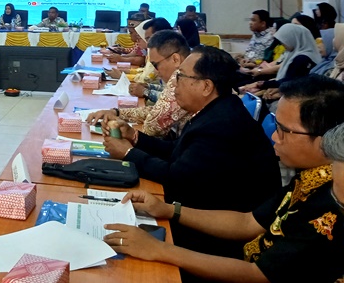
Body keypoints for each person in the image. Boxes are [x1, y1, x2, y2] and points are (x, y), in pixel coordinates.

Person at [102, 75, 344, 283]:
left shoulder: (332, 204)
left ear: (326, 139)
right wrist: (169, 210)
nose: (274, 136)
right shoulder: (312, 177)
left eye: (283, 130)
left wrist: (160, 250)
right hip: (242, 256)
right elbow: (248, 223)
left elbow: (257, 274)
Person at [101, 46, 281, 260]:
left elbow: (176, 177)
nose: (173, 84)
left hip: (217, 237)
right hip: (202, 208)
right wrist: (134, 136)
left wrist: (129, 153)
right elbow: (177, 151)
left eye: (181, 77)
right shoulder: (216, 109)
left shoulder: (222, 126)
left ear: (206, 86)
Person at [88, 30, 191, 138]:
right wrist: (117, 113)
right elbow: (157, 111)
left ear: (175, 59)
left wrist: (125, 129)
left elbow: (151, 127)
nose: (156, 72)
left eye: (156, 65)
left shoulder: (182, 78)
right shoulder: (187, 72)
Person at [241, 24, 321, 99]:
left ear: (293, 39)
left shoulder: (302, 58)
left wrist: (261, 84)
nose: (282, 44)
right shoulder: (293, 53)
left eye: (284, 40)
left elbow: (291, 81)